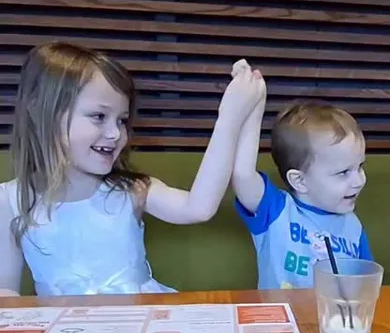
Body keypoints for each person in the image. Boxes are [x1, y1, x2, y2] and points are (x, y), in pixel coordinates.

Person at [0, 43, 263, 297]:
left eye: (122, 120)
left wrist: (231, 116)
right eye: (99, 116)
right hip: (65, 327)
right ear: (40, 111)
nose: (116, 133)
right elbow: (5, 290)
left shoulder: (131, 190)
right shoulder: (10, 201)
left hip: (142, 319)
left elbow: (199, 207)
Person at [232, 79, 372, 289]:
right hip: (279, 311)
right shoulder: (276, 210)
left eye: (360, 167)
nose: (360, 181)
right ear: (300, 181)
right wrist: (255, 106)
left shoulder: (354, 228)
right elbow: (242, 175)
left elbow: (366, 288)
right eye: (343, 172)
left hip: (332, 311)